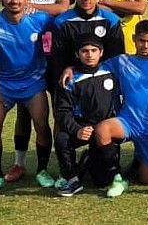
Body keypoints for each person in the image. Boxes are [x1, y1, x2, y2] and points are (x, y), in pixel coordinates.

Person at [0, 0, 56, 193]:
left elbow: (63, 18)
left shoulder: (40, 19)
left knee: (42, 125)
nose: (14, 0)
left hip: (33, 83)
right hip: (3, 85)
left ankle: (42, 170)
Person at [9, 0, 71, 185]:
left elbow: (64, 8)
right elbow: (12, 7)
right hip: (27, 56)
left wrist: (31, 5)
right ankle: (19, 163)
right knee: (25, 114)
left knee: (57, 111)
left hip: (55, 55)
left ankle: (53, 165)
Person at [89, 20, 148, 197]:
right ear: (133, 38)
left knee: (147, 180)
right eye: (141, 40)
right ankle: (117, 178)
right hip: (128, 121)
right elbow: (92, 68)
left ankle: (145, 159)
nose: (145, 45)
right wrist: (72, 68)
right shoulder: (122, 61)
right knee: (102, 130)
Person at [53, 38, 121, 197]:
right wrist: (77, 130)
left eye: (94, 51)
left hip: (105, 129)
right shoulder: (69, 78)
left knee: (101, 182)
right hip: (83, 127)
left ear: (101, 52)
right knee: (62, 139)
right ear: (77, 54)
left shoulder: (111, 70)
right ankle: (71, 179)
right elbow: (62, 111)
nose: (89, 55)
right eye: (84, 51)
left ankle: (88, 160)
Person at [51, 0, 126, 73]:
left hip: (104, 76)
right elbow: (59, 57)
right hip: (73, 76)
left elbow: (116, 55)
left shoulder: (111, 20)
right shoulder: (62, 22)